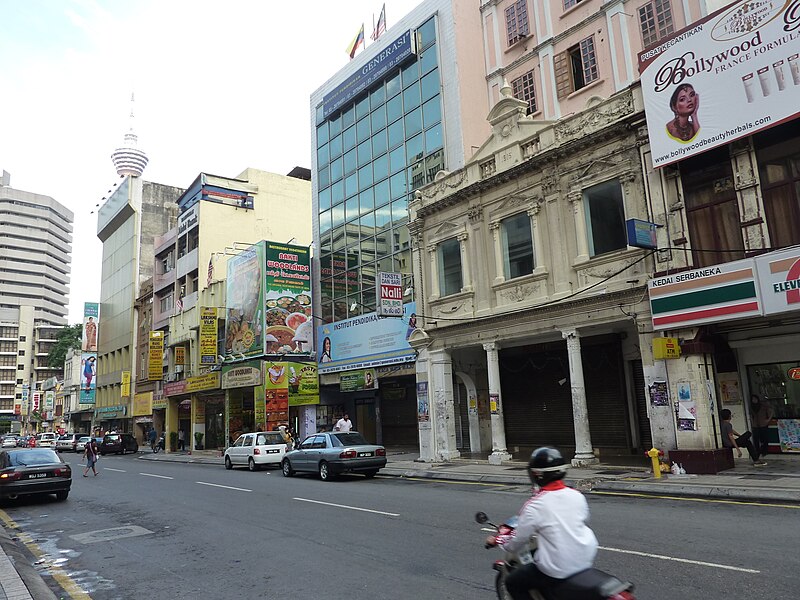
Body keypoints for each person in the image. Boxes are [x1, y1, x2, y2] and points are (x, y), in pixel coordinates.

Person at [485, 447, 598, 600]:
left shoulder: (535, 505)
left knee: (513, 582)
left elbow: (516, 542)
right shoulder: (576, 495)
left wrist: (498, 540)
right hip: (585, 558)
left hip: (559, 567)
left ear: (537, 474)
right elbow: (581, 520)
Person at [750, 395, 774, 459]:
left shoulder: (763, 406)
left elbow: (771, 411)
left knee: (764, 438)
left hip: (763, 424)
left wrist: (768, 420)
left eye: (755, 399)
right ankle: (757, 452)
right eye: (753, 399)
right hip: (755, 425)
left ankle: (764, 451)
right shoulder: (752, 407)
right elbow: (751, 416)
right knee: (756, 439)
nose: (754, 401)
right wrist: (752, 423)